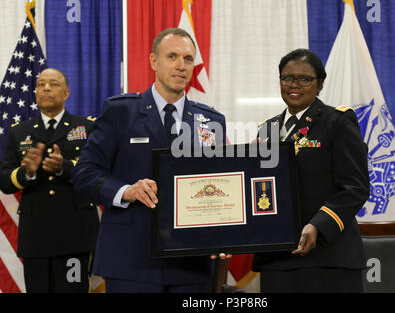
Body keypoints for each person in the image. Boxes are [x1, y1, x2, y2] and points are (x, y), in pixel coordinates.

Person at [72, 28, 227, 293]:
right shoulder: (120, 111)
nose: (181, 66)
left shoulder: (211, 121)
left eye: (188, 59)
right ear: (154, 61)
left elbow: (220, 185)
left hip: (191, 262)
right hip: (131, 258)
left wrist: (229, 236)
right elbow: (84, 172)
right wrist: (126, 191)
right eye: (172, 56)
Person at [252, 49, 370, 292]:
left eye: (304, 79)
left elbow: (355, 188)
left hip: (328, 258)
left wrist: (319, 225)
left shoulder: (337, 122)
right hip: (277, 259)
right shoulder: (267, 130)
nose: (294, 84)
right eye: (287, 78)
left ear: (320, 84)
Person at [0, 68, 99, 293]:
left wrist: (64, 167)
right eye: (41, 84)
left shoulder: (86, 127)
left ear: (66, 93)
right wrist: (27, 173)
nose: (46, 88)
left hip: (75, 234)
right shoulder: (19, 132)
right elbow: (4, 181)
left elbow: (97, 172)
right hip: (36, 236)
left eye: (53, 84)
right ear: (35, 93)